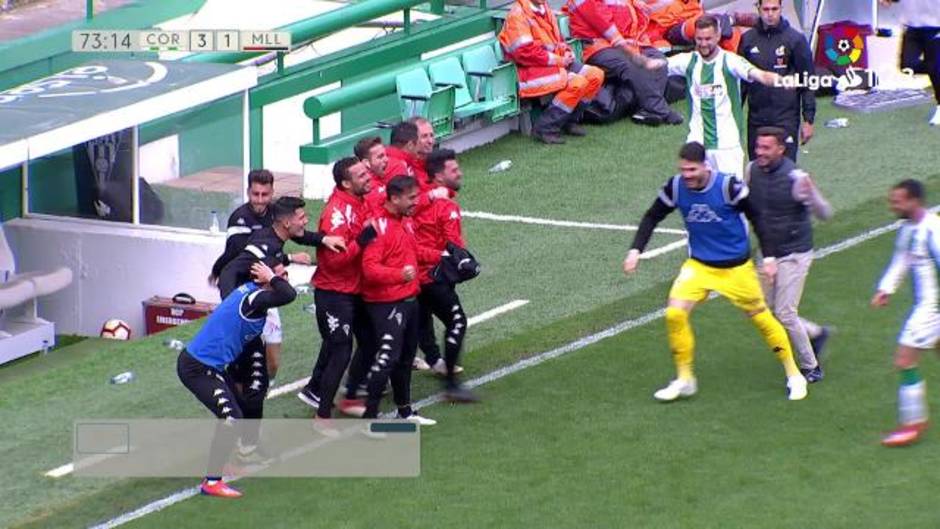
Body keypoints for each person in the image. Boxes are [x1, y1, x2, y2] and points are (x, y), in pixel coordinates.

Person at [623, 141, 807, 402]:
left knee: (762, 320)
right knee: (675, 313)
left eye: (692, 170)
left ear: (705, 166)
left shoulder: (729, 187)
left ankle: (794, 375)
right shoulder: (675, 187)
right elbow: (652, 216)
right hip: (699, 266)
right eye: (683, 170)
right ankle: (685, 379)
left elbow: (758, 219)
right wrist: (635, 250)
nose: (686, 175)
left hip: (736, 269)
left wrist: (768, 256)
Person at [177, 259, 297, 498]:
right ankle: (211, 481)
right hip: (198, 369)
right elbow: (289, 295)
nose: (284, 279)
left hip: (212, 366)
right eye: (280, 275)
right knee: (231, 418)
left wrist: (280, 267)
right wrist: (270, 277)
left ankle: (238, 456)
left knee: (241, 409)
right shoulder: (254, 299)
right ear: (262, 278)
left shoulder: (253, 296)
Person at [208, 170, 344, 380]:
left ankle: (263, 385)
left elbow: (292, 236)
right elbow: (238, 257)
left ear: (272, 193)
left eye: (265, 194)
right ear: (248, 192)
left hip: (265, 286)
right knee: (243, 359)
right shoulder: (240, 220)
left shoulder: (277, 215)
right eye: (255, 194)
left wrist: (323, 240)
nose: (260, 200)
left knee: (272, 360)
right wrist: (284, 261)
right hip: (243, 291)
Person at [747, 127, 832, 383]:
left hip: (795, 253)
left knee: (784, 313)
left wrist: (812, 193)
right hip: (768, 252)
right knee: (762, 308)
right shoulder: (751, 170)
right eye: (758, 146)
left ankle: (811, 366)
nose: (759, 152)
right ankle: (816, 333)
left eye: (766, 148)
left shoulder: (796, 178)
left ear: (781, 149)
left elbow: (825, 213)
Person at [296, 158, 379, 420]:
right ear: (346, 183)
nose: (368, 177)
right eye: (361, 175)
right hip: (334, 293)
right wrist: (362, 242)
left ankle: (349, 394)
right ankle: (322, 415)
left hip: (356, 290)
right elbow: (334, 260)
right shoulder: (336, 213)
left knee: (370, 340)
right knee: (340, 350)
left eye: (367, 172)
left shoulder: (360, 201)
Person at [360, 175, 438, 424]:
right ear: (394, 198)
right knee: (387, 359)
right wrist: (399, 275)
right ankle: (368, 420)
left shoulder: (405, 222)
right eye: (412, 197)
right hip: (386, 304)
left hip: (409, 300)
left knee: (405, 358)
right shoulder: (377, 227)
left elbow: (414, 253)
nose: (417, 201)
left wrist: (445, 256)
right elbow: (369, 269)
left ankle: (405, 412)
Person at [666, 15, 783, 179]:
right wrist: (634, 57)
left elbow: (761, 75)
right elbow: (657, 65)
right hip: (698, 144)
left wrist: (782, 80)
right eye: (699, 39)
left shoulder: (731, 61)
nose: (703, 43)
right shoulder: (688, 61)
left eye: (708, 38)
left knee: (731, 197)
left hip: (727, 146)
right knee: (696, 195)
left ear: (718, 36)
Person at [872, 180, 940, 447]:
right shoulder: (908, 229)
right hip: (928, 307)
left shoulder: (933, 231)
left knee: (904, 360)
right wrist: (885, 289)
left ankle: (913, 424)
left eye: (897, 201)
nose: (893, 206)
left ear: (914, 201)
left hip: (931, 308)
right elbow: (901, 261)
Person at [413, 149, 478, 402]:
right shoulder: (445, 207)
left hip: (411, 278)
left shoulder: (416, 200)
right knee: (457, 322)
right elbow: (453, 245)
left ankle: (431, 360)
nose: (459, 172)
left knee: (414, 327)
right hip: (432, 278)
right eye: (454, 170)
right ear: (439, 176)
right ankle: (451, 384)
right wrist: (465, 262)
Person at [498, 0, 606, 144]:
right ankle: (545, 128)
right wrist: (559, 60)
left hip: (552, 64)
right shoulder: (517, 15)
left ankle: (569, 121)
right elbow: (524, 53)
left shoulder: (544, 8)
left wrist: (567, 52)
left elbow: (557, 40)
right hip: (528, 72)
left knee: (596, 75)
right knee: (577, 82)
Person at [564, 0, 683, 125]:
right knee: (635, 65)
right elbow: (603, 24)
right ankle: (660, 111)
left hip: (626, 43)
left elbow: (631, 18)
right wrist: (631, 51)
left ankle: (644, 110)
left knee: (659, 60)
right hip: (598, 47)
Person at [738, 0, 816, 161]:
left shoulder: (796, 39)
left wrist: (808, 120)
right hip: (757, 119)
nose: (770, 13)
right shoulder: (747, 39)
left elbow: (807, 81)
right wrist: (733, 115)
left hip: (785, 119)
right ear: (758, 8)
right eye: (766, 9)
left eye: (775, 9)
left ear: (781, 9)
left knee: (785, 171)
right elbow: (741, 83)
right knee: (757, 169)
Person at [879, 0, 940, 126]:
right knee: (908, 65)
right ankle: (934, 66)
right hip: (912, 28)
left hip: (935, 28)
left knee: (934, 68)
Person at [643, 0, 757, 52]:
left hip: (693, 19)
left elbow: (696, 9)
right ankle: (732, 19)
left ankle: (730, 69)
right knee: (702, 23)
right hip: (669, 30)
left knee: (732, 35)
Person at [385, 119, 434, 186]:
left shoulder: (419, 161)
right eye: (424, 136)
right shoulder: (400, 166)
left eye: (432, 135)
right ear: (410, 143)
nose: (430, 141)